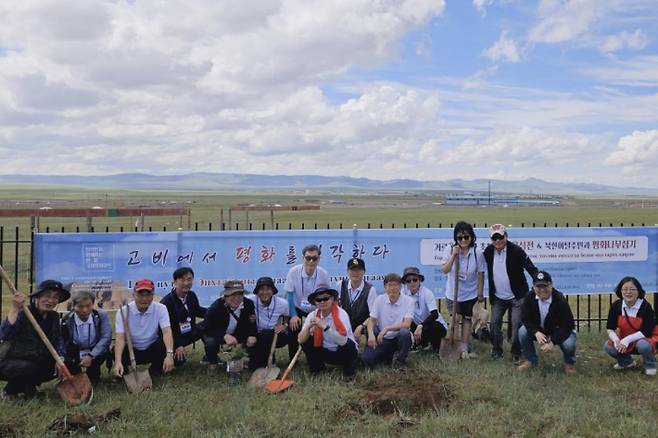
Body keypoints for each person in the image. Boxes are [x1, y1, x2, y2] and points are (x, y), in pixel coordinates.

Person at [0, 280, 69, 400]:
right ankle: (10, 392)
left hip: (36, 359)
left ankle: (29, 389)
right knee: (28, 367)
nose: (51, 300)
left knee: (66, 364)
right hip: (11, 362)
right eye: (47, 296)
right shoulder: (24, 314)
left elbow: (58, 340)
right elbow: (5, 334)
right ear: (37, 297)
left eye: (55, 297)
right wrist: (14, 308)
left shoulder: (53, 317)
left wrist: (60, 358)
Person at [483, 224, 538, 361]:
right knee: (494, 323)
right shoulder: (488, 252)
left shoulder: (517, 251)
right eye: (494, 238)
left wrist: (538, 285)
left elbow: (531, 268)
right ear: (491, 240)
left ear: (506, 236)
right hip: (498, 297)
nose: (498, 241)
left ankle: (516, 352)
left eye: (500, 237)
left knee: (516, 324)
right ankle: (497, 350)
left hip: (517, 296)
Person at [440, 221, 485, 358]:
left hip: (470, 294)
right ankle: (453, 346)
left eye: (466, 237)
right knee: (454, 319)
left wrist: (480, 292)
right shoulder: (450, 249)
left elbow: (481, 273)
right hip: (453, 293)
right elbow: (445, 270)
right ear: (456, 239)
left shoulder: (477, 252)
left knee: (467, 319)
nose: (463, 240)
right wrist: (454, 256)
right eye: (460, 238)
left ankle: (464, 348)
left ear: (471, 237)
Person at [114, 279, 175, 378]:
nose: (144, 298)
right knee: (115, 350)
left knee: (162, 344)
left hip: (152, 348)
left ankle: (156, 369)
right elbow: (120, 338)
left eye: (148, 295)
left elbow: (167, 332)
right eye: (140, 295)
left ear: (153, 296)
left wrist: (169, 355)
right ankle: (122, 371)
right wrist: (117, 362)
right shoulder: (123, 312)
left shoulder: (161, 308)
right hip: (132, 350)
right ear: (133, 295)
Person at [518, 271, 577, 374]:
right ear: (533, 287)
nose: (542, 290)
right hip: (539, 330)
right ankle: (531, 360)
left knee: (569, 344)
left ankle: (569, 364)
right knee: (522, 332)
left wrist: (552, 342)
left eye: (544, 286)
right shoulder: (529, 297)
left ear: (551, 285)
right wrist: (536, 332)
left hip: (557, 330)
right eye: (538, 286)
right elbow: (525, 319)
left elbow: (568, 326)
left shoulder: (560, 300)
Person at [299, 285, 358, 377]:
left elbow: (343, 341)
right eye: (318, 300)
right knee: (307, 340)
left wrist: (325, 327)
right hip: (324, 351)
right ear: (315, 302)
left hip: (343, 352)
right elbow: (300, 340)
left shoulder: (342, 314)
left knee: (348, 344)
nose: (322, 302)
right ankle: (317, 369)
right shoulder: (312, 315)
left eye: (326, 298)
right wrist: (308, 327)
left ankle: (348, 370)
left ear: (332, 299)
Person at [284, 244, 330, 360]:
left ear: (318, 259)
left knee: (316, 331)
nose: (310, 261)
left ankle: (315, 357)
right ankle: (293, 359)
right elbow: (289, 294)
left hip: (316, 308)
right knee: (293, 329)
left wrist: (318, 317)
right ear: (302, 258)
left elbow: (326, 297)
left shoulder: (323, 274)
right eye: (307, 257)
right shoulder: (293, 272)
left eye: (314, 258)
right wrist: (293, 315)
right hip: (297, 306)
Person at [604, 276, 657, 376]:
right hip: (625, 339)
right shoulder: (616, 305)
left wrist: (627, 340)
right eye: (625, 289)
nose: (628, 292)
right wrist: (616, 340)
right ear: (620, 291)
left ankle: (651, 365)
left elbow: (647, 331)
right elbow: (610, 327)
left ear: (638, 291)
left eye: (632, 289)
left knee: (643, 346)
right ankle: (627, 363)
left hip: (645, 338)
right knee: (608, 346)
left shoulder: (645, 306)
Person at [203, 280, 257, 373]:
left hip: (237, 334)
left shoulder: (249, 304)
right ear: (225, 296)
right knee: (210, 341)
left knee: (255, 339)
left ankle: (242, 360)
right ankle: (212, 362)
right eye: (232, 295)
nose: (237, 298)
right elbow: (207, 329)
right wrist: (224, 336)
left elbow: (252, 322)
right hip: (219, 334)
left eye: (240, 294)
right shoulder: (215, 308)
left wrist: (252, 335)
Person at [362, 273, 413, 370]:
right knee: (366, 360)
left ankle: (400, 361)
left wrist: (386, 329)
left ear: (400, 287)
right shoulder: (379, 299)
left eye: (395, 285)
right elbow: (371, 320)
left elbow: (407, 324)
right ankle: (388, 354)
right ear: (385, 287)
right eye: (389, 285)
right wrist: (371, 335)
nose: (392, 288)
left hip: (398, 338)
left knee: (405, 333)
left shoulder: (409, 301)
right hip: (382, 339)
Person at [61, 290, 112, 384]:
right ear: (74, 306)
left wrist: (91, 356)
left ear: (93, 304)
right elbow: (63, 342)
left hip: (95, 351)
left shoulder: (101, 315)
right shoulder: (66, 320)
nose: (84, 310)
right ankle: (75, 373)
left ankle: (94, 374)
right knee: (73, 371)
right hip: (75, 352)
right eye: (80, 306)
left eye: (88, 306)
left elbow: (106, 337)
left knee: (94, 374)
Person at [160, 267, 207, 366]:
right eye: (182, 280)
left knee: (208, 324)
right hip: (173, 338)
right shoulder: (166, 302)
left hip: (189, 332)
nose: (186, 283)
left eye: (189, 279)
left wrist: (215, 312)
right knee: (179, 361)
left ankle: (210, 356)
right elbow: (164, 330)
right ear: (174, 282)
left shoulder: (191, 295)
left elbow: (198, 310)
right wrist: (177, 345)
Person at [401, 266, 447, 353]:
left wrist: (421, 326)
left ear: (420, 280)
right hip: (418, 327)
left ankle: (436, 348)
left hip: (433, 325)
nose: (412, 283)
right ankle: (419, 344)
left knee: (435, 327)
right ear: (405, 283)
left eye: (415, 280)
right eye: (408, 281)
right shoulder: (403, 293)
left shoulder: (427, 293)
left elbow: (434, 314)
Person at [247, 277, 290, 369]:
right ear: (257, 291)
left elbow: (286, 316)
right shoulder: (250, 300)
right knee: (253, 366)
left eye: (268, 289)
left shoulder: (282, 303)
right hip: (255, 334)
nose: (265, 292)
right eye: (261, 289)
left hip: (273, 335)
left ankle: (269, 361)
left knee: (266, 334)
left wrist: (284, 325)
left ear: (273, 291)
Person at [337, 257, 377, 340]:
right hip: (343, 326)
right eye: (352, 270)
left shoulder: (370, 289)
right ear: (347, 271)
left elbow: (373, 315)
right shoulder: (340, 285)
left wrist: (361, 327)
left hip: (362, 328)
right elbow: (336, 308)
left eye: (359, 270)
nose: (355, 273)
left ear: (364, 271)